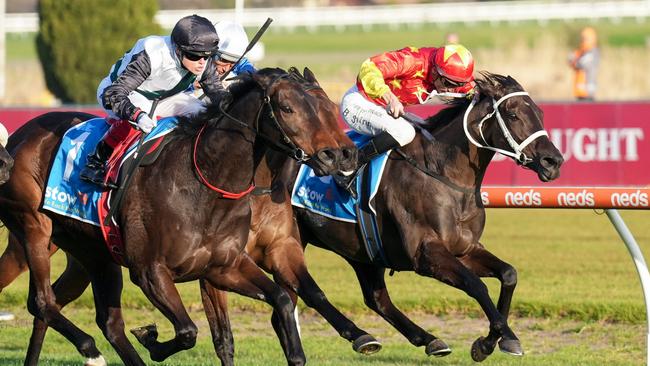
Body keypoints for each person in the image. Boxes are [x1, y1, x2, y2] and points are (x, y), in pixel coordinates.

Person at [80, 14, 230, 188]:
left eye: (207, 56)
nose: (202, 63)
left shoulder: (202, 59)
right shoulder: (152, 54)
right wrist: (136, 115)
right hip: (120, 93)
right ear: (178, 49)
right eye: (195, 56)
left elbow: (218, 94)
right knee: (145, 120)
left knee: (201, 111)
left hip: (162, 97)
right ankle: (96, 161)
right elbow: (114, 94)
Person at [335, 44, 476, 197]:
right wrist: (390, 97)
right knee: (404, 132)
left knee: (427, 130)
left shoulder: (449, 75)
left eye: (457, 85)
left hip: (382, 110)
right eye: (449, 84)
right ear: (435, 71)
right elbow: (368, 68)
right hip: (358, 103)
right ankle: (348, 166)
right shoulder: (412, 61)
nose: (451, 90)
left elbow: (471, 90)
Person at [568, 26, 599, 101]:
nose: (583, 41)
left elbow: (580, 63)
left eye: (585, 38)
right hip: (580, 92)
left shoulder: (592, 52)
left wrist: (574, 60)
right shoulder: (581, 51)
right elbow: (570, 60)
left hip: (587, 92)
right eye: (582, 38)